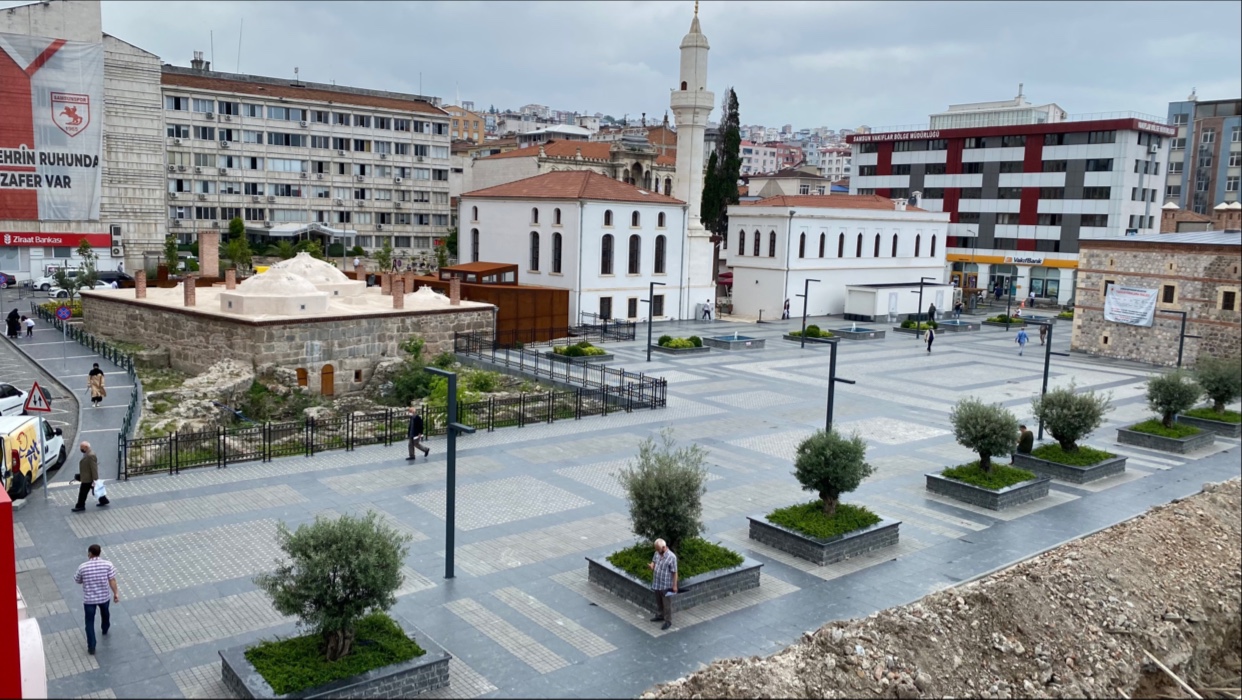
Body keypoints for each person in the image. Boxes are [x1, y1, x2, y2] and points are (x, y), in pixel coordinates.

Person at [74, 544, 119, 655]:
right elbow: (112, 580)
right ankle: (105, 627)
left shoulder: (83, 567)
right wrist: (116, 593)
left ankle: (92, 646)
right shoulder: (107, 565)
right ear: (100, 553)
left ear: (89, 553)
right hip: (104, 597)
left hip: (89, 600)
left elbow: (77, 580)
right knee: (105, 613)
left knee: (89, 622)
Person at [647, 538, 678, 631]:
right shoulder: (657, 553)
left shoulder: (671, 557)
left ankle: (668, 621)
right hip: (657, 583)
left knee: (666, 604)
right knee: (659, 601)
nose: (657, 552)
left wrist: (674, 585)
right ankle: (660, 615)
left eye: (659, 550)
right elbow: (654, 561)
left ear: (664, 547)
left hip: (666, 585)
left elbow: (675, 572)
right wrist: (652, 565)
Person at [72, 441, 109, 511]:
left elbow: (94, 468)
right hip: (87, 477)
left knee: (83, 492)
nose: (80, 449)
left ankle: (80, 506)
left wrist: (95, 480)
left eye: (81, 447)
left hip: (88, 479)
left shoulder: (90, 455)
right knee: (95, 489)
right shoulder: (87, 453)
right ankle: (104, 500)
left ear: (86, 447)